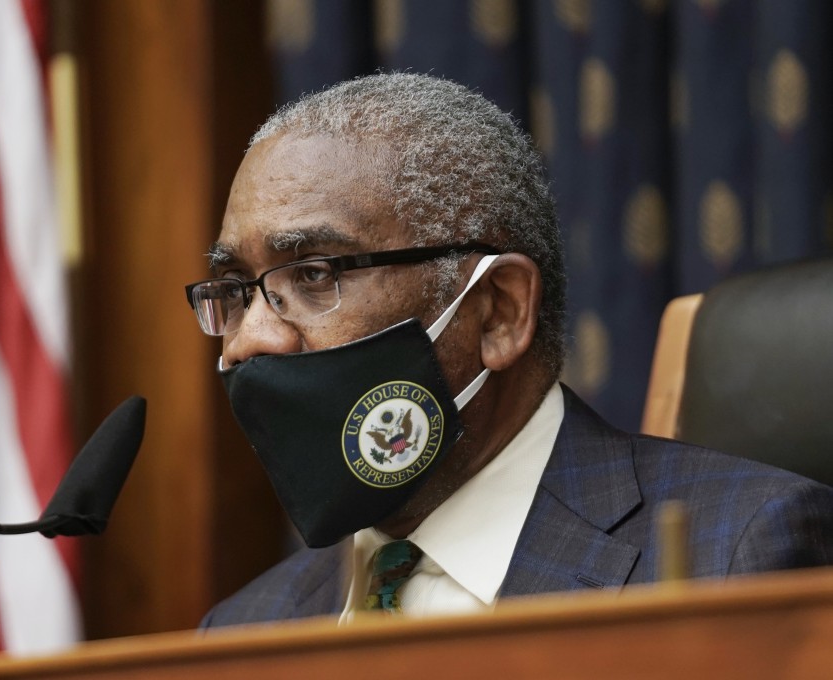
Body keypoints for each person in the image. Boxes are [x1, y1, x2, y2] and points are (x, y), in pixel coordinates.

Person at [185, 73, 833, 627]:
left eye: (315, 275)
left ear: (498, 310)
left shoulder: (739, 556)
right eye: (236, 290)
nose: (248, 341)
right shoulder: (248, 625)